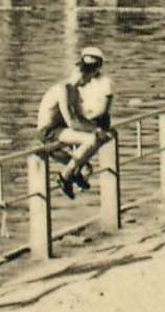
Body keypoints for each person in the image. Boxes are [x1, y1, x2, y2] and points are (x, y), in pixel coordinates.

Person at [35, 47, 114, 199]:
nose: (90, 81)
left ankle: (75, 173)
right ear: (84, 74)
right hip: (49, 132)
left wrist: (98, 128)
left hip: (61, 130)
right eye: (90, 77)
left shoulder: (75, 92)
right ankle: (65, 176)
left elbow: (79, 118)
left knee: (99, 138)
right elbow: (72, 122)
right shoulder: (63, 89)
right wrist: (95, 130)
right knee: (93, 139)